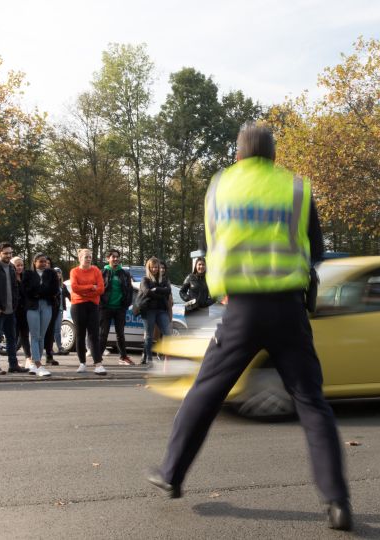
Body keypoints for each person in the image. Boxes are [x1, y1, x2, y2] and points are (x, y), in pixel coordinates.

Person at [147, 123, 352, 531]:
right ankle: (338, 501)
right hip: (289, 309)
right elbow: (318, 249)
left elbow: (213, 242)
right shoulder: (297, 188)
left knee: (206, 392)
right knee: (311, 402)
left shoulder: (220, 186)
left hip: (241, 309)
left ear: (238, 154)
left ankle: (172, 474)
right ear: (274, 155)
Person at [0, 242, 28, 374]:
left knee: (12, 338)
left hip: (10, 310)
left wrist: (14, 305)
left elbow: (15, 288)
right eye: (6, 253)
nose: (9, 255)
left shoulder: (12, 268)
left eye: (10, 253)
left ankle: (13, 365)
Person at [69, 248, 106, 375]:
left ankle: (98, 364)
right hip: (78, 305)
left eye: (90, 256)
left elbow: (101, 289)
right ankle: (82, 363)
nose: (89, 259)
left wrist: (85, 291)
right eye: (86, 257)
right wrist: (91, 287)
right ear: (80, 258)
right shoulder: (74, 271)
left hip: (93, 305)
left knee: (94, 334)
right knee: (80, 334)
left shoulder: (96, 270)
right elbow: (74, 287)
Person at [22, 253, 58, 377]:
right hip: (32, 306)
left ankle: (36, 361)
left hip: (47, 305)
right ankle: (37, 363)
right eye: (41, 261)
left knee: (42, 335)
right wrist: (41, 291)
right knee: (35, 335)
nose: (43, 264)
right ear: (34, 262)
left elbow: (54, 290)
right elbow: (26, 290)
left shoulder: (51, 274)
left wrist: (39, 292)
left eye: (45, 261)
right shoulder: (28, 274)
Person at [98, 249, 134, 365]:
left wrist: (126, 305)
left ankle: (123, 357)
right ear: (108, 258)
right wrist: (101, 304)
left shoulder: (124, 273)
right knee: (103, 334)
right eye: (113, 257)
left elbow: (129, 290)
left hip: (120, 308)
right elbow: (98, 290)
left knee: (121, 334)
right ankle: (98, 358)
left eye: (117, 257)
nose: (115, 259)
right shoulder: (102, 273)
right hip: (105, 308)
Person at [138, 257, 171, 366]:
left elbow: (168, 291)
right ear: (149, 267)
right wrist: (161, 294)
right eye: (152, 267)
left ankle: (166, 357)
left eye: (156, 267)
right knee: (149, 335)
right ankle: (149, 359)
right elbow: (146, 292)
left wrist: (156, 290)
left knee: (167, 332)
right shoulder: (145, 279)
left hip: (161, 310)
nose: (155, 269)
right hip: (148, 310)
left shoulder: (163, 280)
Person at [11, 257, 32, 363]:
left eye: (21, 265)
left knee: (24, 334)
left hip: (24, 309)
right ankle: (13, 359)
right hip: (13, 310)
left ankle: (28, 357)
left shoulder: (25, 277)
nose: (19, 267)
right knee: (13, 335)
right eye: (17, 265)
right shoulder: (9, 277)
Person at [43, 267, 62, 365]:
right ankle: (33, 358)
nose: (46, 265)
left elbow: (57, 293)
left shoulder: (54, 278)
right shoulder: (36, 275)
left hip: (53, 306)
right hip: (40, 306)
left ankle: (49, 355)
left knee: (50, 331)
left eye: (48, 263)